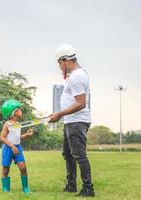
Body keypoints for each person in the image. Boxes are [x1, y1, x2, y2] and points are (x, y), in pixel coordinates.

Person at [49, 44, 94, 197]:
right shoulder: (74, 75)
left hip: (77, 122)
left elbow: (81, 103)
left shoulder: (77, 76)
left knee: (79, 155)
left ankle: (88, 188)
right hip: (70, 121)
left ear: (67, 60)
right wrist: (60, 114)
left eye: (60, 63)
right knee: (67, 154)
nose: (60, 67)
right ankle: (71, 185)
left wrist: (60, 114)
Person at [0, 99, 34, 194]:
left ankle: (25, 189)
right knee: (6, 170)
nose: (21, 110)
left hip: (17, 147)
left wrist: (26, 135)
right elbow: (2, 138)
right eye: (19, 109)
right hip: (8, 148)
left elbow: (17, 138)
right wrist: (12, 146)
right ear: (14, 112)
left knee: (23, 168)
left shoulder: (18, 124)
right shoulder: (7, 125)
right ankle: (6, 189)